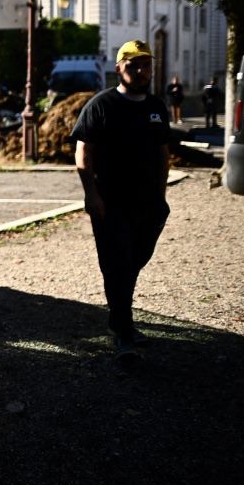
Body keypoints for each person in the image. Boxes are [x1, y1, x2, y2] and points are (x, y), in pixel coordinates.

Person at [70, 39, 170, 358]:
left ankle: (121, 319)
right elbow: (83, 152)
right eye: (132, 65)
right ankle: (123, 329)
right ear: (118, 69)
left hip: (150, 204)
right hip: (110, 203)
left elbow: (162, 152)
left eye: (145, 65)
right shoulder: (101, 106)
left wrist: (162, 196)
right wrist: (91, 194)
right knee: (117, 264)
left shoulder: (156, 107)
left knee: (133, 262)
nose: (140, 71)